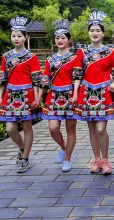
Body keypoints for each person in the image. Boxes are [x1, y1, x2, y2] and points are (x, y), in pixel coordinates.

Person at [73, 10, 114, 175]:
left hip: (103, 92)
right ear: (88, 33)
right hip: (87, 93)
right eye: (92, 30)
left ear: (103, 33)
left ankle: (106, 159)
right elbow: (78, 74)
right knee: (92, 129)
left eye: (97, 30)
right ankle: (97, 159)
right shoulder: (82, 53)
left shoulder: (110, 52)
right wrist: (75, 93)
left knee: (101, 129)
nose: (94, 33)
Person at [0, 17, 41, 173]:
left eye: (19, 36)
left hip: (27, 94)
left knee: (27, 127)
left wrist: (36, 98)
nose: (16, 38)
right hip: (10, 95)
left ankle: (25, 158)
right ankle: (22, 148)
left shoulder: (31, 57)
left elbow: (36, 80)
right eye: (14, 35)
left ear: (25, 37)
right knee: (10, 128)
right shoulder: (6, 56)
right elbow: (2, 78)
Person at [40, 20, 79, 172]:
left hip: (70, 95)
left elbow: (77, 77)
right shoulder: (50, 60)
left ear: (68, 40)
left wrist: (76, 94)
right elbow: (45, 79)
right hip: (54, 95)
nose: (60, 40)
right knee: (53, 128)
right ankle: (63, 147)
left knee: (71, 129)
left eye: (63, 38)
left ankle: (68, 159)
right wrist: (39, 96)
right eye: (57, 38)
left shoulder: (75, 58)